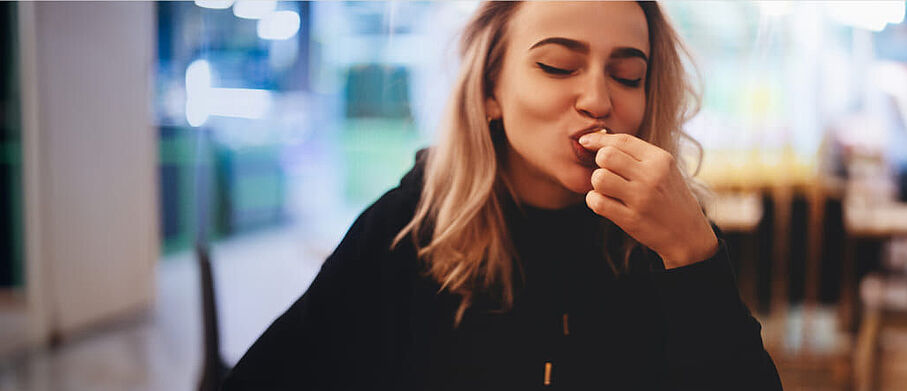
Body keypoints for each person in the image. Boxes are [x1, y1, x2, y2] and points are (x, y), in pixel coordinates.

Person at [222, 2, 781, 390]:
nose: (598, 98)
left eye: (628, 75)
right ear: (491, 89)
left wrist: (693, 256)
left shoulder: (668, 235)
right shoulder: (411, 225)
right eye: (557, 65)